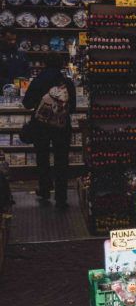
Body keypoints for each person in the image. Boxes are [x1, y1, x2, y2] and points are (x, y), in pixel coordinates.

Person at [23, 53, 76, 207]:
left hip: (41, 126)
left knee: (42, 157)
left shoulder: (38, 80)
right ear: (62, 65)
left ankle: (45, 189)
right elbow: (72, 108)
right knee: (61, 160)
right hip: (62, 126)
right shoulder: (67, 82)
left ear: (44, 64)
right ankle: (61, 197)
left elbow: (27, 103)